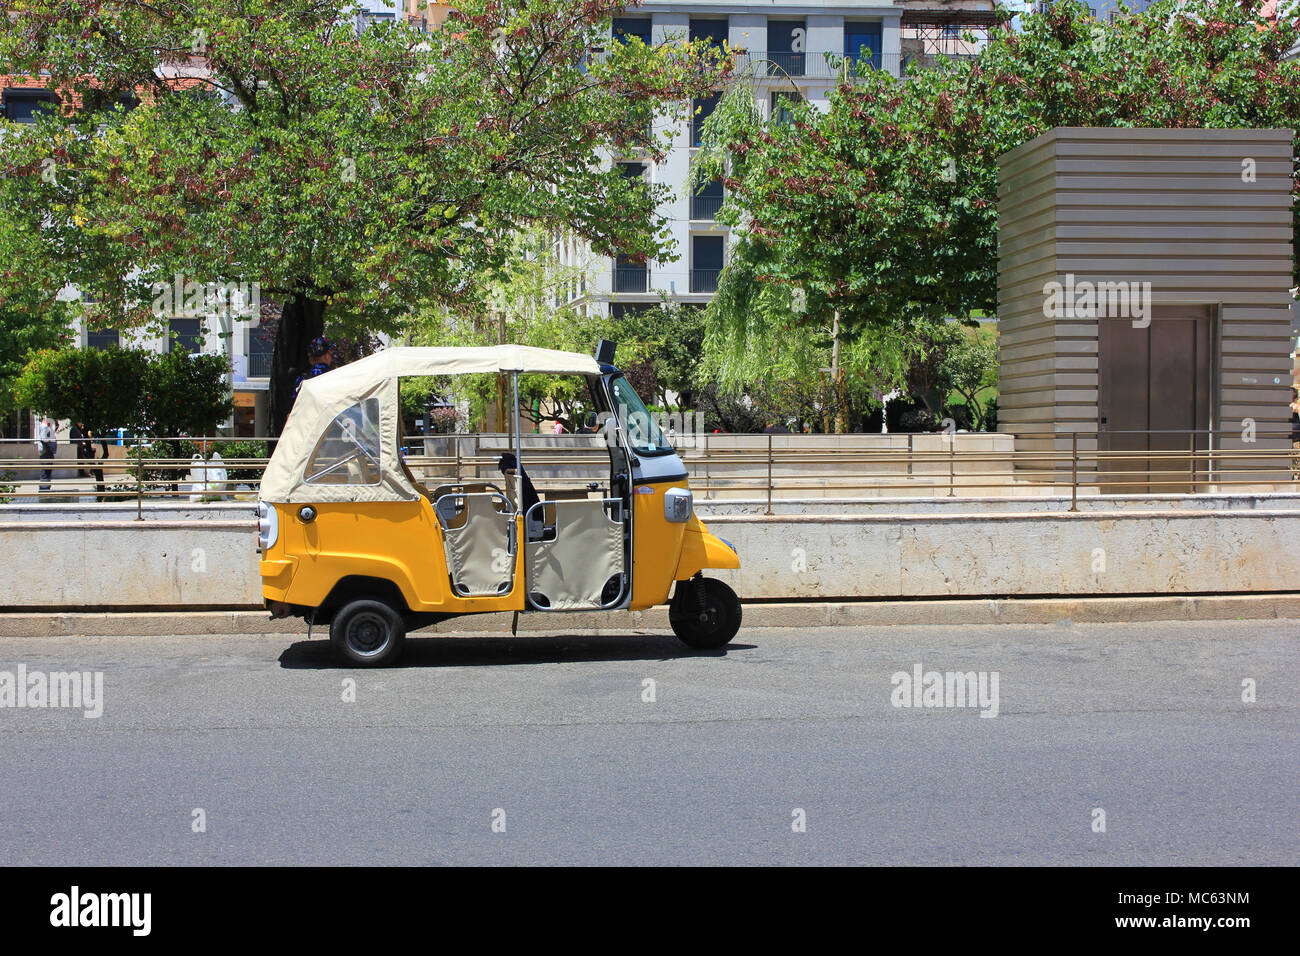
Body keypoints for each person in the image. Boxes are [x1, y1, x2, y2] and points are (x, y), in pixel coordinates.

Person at [34, 415, 57, 494]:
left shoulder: (45, 427)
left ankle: (45, 488)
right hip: (46, 451)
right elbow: (44, 439)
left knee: (46, 470)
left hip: (46, 451)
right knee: (45, 470)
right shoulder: (45, 427)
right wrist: (51, 448)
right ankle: (44, 489)